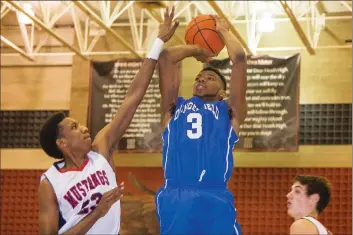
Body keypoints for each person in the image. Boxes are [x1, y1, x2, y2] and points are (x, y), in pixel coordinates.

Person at [37, 7, 179, 235]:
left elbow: (133, 97)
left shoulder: (100, 149)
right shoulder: (50, 183)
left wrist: (159, 41)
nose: (84, 128)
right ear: (62, 143)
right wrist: (97, 213)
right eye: (74, 127)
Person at [155, 15, 247, 235]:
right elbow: (167, 57)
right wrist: (197, 49)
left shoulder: (229, 111)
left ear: (223, 92)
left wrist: (223, 32)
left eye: (210, 78)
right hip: (175, 194)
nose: (202, 80)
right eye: (199, 77)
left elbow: (240, 59)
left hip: (213, 194)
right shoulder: (175, 108)